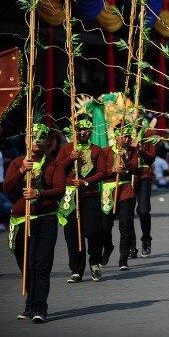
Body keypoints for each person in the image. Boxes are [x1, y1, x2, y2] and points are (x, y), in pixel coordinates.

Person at [4, 123, 65, 324]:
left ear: (48, 141)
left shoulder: (53, 164)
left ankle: (40, 308)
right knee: (27, 266)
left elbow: (60, 190)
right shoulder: (17, 162)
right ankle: (30, 305)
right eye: (32, 136)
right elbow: (7, 188)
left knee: (41, 264)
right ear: (26, 140)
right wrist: (22, 170)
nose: (36, 140)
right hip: (21, 221)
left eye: (41, 137)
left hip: (45, 220)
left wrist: (39, 193)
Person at [56, 114, 105, 283]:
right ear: (74, 130)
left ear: (90, 131)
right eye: (79, 129)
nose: (83, 132)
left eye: (86, 129)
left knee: (93, 232)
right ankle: (76, 270)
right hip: (70, 197)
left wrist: (85, 182)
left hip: (90, 195)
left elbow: (101, 172)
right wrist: (70, 159)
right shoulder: (66, 149)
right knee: (72, 234)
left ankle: (95, 263)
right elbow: (56, 170)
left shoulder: (97, 150)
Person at [100, 123, 139, 271]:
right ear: (116, 136)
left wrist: (126, 161)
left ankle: (123, 259)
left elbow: (135, 170)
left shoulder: (133, 152)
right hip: (108, 193)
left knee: (125, 226)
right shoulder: (106, 152)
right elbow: (100, 172)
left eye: (129, 136)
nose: (127, 139)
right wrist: (112, 170)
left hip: (125, 191)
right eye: (124, 136)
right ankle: (108, 246)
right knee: (105, 227)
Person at [129, 123, 158, 259]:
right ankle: (130, 245)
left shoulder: (149, 134)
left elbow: (151, 158)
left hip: (143, 176)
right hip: (127, 177)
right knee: (126, 213)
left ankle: (146, 239)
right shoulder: (122, 132)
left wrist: (140, 149)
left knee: (143, 210)